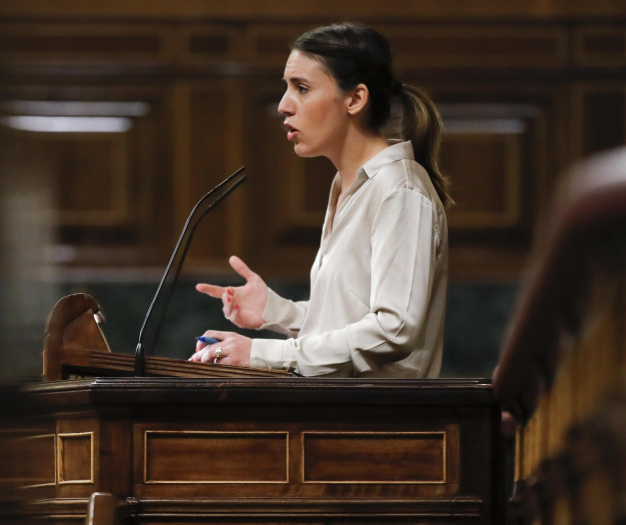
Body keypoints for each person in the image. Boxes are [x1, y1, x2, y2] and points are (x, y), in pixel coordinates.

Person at [189, 22, 452, 378]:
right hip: (339, 418)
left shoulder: (399, 191)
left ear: (355, 99)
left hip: (382, 428)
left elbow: (395, 330)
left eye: (302, 88)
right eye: (287, 88)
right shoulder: (346, 186)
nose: (284, 105)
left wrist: (262, 353)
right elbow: (350, 323)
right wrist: (277, 312)